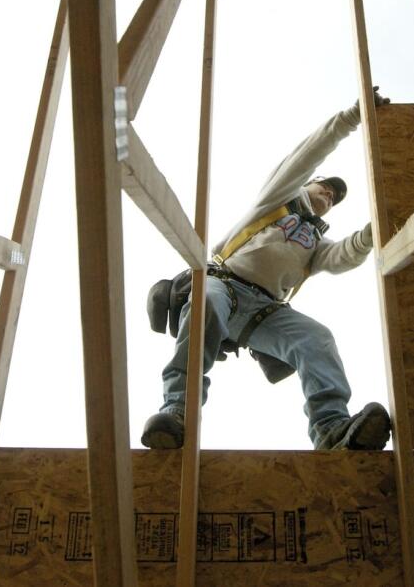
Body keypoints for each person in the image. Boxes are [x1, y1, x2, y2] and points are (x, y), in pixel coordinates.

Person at [141, 91, 392, 451]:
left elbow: (343, 256)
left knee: (316, 338)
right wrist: (351, 117)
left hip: (264, 310)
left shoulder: (315, 243)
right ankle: (178, 411)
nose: (329, 195)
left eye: (333, 198)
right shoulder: (275, 201)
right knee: (206, 306)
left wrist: (373, 232)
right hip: (223, 284)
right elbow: (306, 157)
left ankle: (331, 428)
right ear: (306, 185)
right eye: (324, 187)